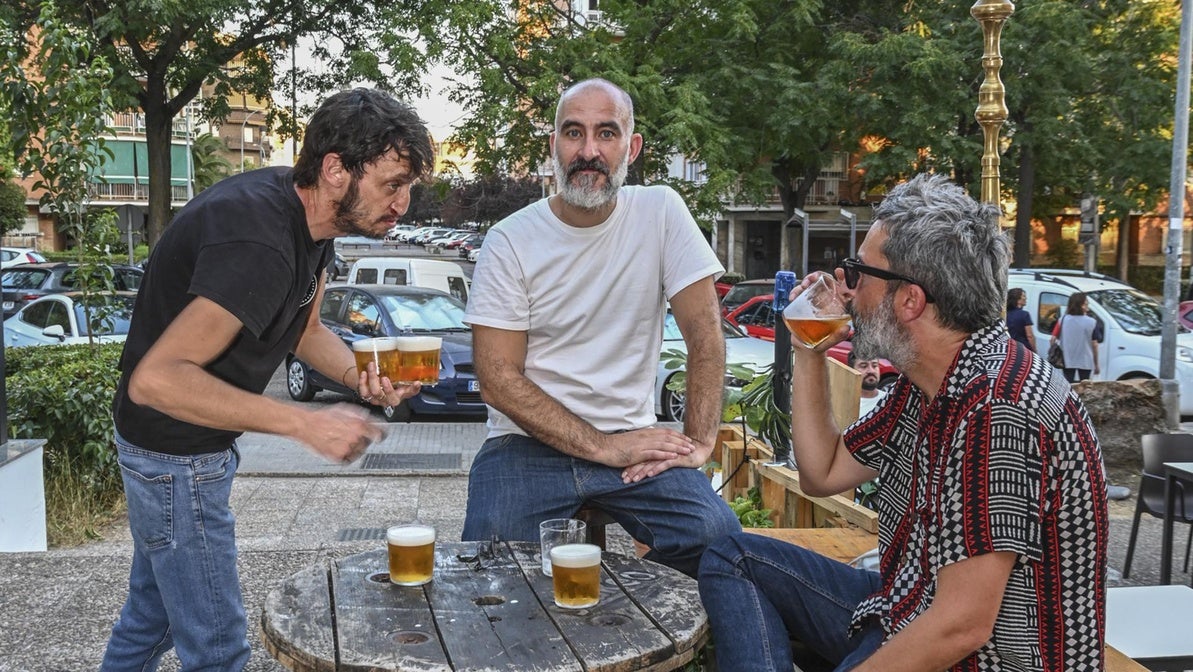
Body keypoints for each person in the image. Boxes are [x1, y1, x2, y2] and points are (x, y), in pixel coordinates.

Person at [698, 174, 1108, 672]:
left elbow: (962, 625)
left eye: (859, 272)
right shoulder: (928, 383)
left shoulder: (998, 407)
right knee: (731, 557)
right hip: (904, 607)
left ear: (910, 300)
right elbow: (821, 473)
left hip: (982, 659)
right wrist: (809, 347)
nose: (847, 289)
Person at [101, 88, 434, 672]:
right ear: (336, 170)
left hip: (186, 451)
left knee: (149, 622)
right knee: (220, 650)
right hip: (176, 460)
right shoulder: (258, 239)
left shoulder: (314, 219)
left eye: (409, 187)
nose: (402, 203)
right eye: (392, 184)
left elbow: (303, 332)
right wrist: (305, 424)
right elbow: (156, 380)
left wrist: (366, 376)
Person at [461, 78, 740, 577]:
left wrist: (700, 441)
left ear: (630, 147)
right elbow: (497, 379)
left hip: (631, 441)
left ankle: (640, 621)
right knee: (490, 573)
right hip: (524, 443)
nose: (589, 151)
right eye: (573, 133)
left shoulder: (660, 212)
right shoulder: (510, 240)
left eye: (606, 134)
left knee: (718, 539)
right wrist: (604, 447)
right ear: (554, 145)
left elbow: (704, 334)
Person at [1056, 291, 1100, 382]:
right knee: (1085, 386)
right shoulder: (1092, 322)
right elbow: (1094, 344)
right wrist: (1096, 364)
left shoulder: (1062, 320)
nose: (1088, 304)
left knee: (1068, 386)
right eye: (1086, 302)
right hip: (1086, 360)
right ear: (1081, 305)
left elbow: (1053, 339)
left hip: (1067, 359)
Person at [847, 350, 886, 417]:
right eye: (864, 366)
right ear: (852, 371)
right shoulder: (843, 404)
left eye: (874, 365)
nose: (871, 371)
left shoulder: (889, 401)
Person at [1005, 287, 1036, 351]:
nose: (1026, 298)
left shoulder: (1005, 314)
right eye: (1024, 296)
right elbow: (1030, 336)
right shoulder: (1025, 315)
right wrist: (1034, 350)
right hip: (1023, 349)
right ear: (1018, 300)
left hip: (1009, 348)